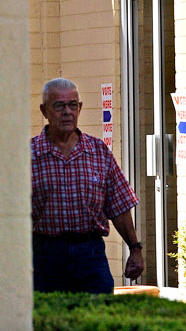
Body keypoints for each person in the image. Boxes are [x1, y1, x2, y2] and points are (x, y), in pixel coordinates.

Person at [31, 77, 144, 294]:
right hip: (46, 255)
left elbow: (119, 206)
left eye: (72, 105)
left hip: (90, 253)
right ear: (44, 111)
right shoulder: (29, 155)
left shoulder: (97, 152)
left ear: (80, 108)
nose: (67, 112)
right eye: (59, 106)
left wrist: (135, 249)